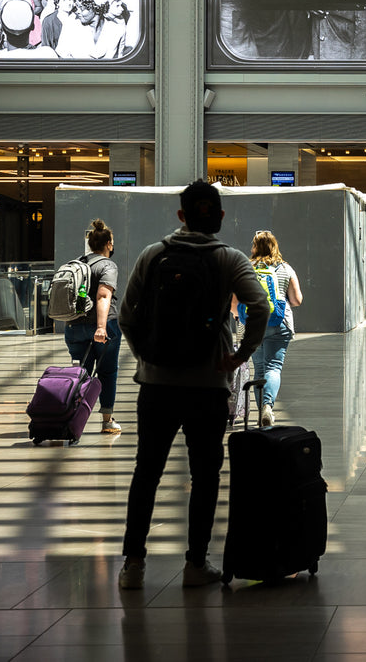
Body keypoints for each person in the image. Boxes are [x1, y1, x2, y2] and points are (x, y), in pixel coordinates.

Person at [115, 180, 271, 591]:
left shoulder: (153, 255)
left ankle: (133, 564)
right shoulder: (229, 259)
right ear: (220, 216)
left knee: (146, 472)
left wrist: (146, 355)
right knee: (205, 476)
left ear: (181, 216)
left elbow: (126, 317)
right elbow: (261, 306)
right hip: (208, 386)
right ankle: (195, 564)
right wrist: (238, 355)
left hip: (156, 386)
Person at [62, 219, 124, 434]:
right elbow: (103, 295)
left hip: (74, 327)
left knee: (80, 373)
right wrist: (100, 326)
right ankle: (107, 421)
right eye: (112, 242)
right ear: (108, 244)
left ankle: (71, 416)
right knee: (107, 372)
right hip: (102, 327)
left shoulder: (77, 263)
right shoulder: (107, 265)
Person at [241, 230, 303, 427]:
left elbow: (236, 300)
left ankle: (262, 413)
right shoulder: (286, 268)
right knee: (273, 367)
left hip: (252, 325)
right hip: (279, 323)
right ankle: (268, 407)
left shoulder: (247, 268)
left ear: (254, 247)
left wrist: (238, 316)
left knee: (259, 369)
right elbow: (297, 300)